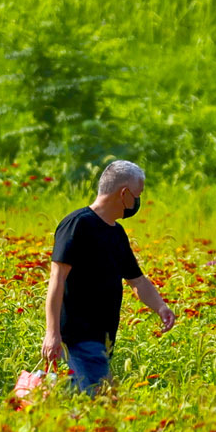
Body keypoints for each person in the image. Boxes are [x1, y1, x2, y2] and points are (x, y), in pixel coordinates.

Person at [41, 160, 176, 395]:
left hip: (102, 340)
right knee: (101, 406)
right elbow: (57, 279)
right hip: (78, 338)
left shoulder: (116, 232)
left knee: (80, 405)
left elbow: (137, 280)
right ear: (124, 194)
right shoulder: (77, 225)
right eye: (138, 195)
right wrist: (52, 333)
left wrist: (160, 307)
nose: (137, 202)